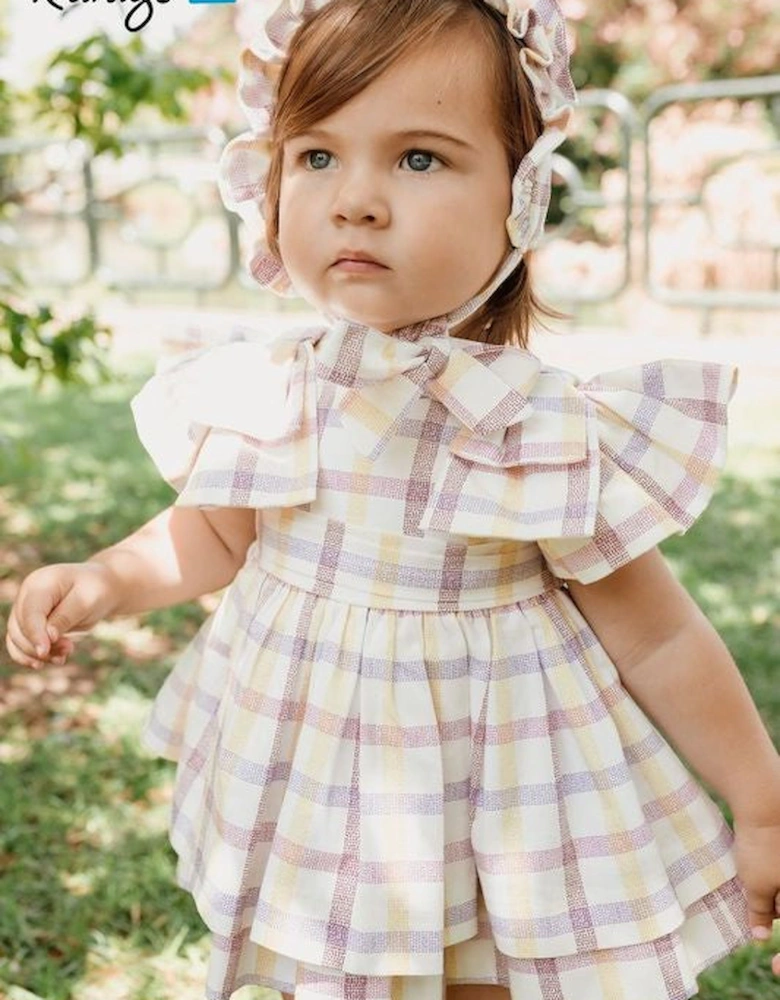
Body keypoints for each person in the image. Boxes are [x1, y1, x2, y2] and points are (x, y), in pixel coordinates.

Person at [5, 0, 780, 998]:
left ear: (523, 194)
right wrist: (105, 579)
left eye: (419, 158)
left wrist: (759, 798)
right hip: (318, 783)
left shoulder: (529, 427)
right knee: (316, 961)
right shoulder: (273, 389)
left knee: (484, 976)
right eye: (317, 156)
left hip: (489, 799)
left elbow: (659, 638)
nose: (356, 201)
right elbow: (211, 532)